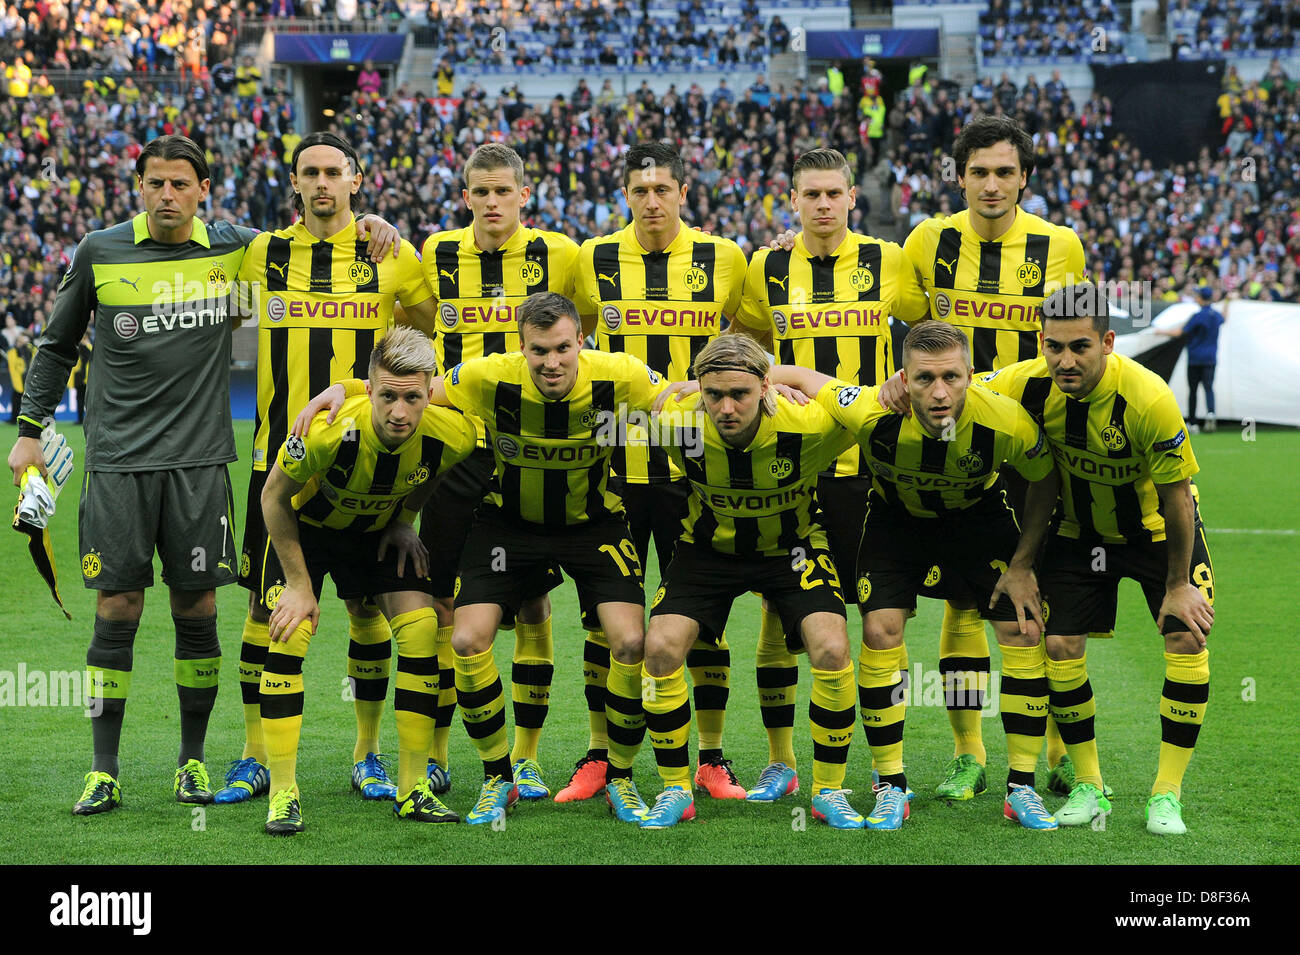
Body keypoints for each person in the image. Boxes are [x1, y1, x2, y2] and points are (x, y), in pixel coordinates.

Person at [298, 292, 673, 825]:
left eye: (563, 348)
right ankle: (500, 776)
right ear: (521, 348)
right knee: (467, 639)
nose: (551, 362)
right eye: (539, 350)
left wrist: (778, 383)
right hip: (507, 525)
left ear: (580, 343)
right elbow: (416, 388)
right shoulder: (485, 376)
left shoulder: (623, 374)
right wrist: (342, 389)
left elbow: (682, 395)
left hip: (594, 523)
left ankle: (621, 777)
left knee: (631, 640)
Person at [6, 135, 256, 815]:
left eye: (180, 184)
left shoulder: (236, 247)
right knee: (117, 607)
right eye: (155, 183)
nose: (167, 195)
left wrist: (372, 224)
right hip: (117, 461)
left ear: (204, 189)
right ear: (138, 186)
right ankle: (104, 768)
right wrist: (29, 432)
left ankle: (193, 761)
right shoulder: (99, 250)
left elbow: (315, 243)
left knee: (197, 606)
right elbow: (56, 344)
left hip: (201, 463)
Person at [771, 321, 1061, 830]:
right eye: (925, 379)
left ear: (972, 375)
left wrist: (1022, 565)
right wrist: (706, 386)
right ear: (904, 379)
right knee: (881, 629)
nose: (940, 391)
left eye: (951, 376)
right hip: (895, 519)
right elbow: (795, 373)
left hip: (978, 518)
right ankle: (891, 786)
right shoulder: (869, 408)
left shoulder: (1007, 421)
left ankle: (1022, 787)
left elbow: (1045, 480)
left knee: (1022, 627)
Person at [219, 131, 423, 808]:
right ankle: (253, 754)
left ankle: (366, 755)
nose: (323, 182)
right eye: (311, 172)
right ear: (296, 181)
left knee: (366, 607)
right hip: (275, 464)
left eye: (335, 171)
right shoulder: (261, 254)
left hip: (367, 471)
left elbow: (425, 339)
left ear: (356, 179)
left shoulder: (390, 257)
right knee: (263, 608)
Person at [979, 283, 1214, 834]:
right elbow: (960, 385)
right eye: (1054, 346)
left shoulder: (1147, 397)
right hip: (1079, 531)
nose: (1066, 360)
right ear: (1041, 342)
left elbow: (1178, 496)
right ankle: (1088, 786)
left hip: (1157, 533)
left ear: (1108, 342)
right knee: (1058, 643)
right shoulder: (1026, 383)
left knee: (1185, 633)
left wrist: (1178, 584)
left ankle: (1166, 794)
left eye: (1080, 346)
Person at [900, 114, 1086, 801]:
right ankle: (968, 753)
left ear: (1025, 179)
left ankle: (1063, 747)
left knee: (1050, 592)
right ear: (959, 176)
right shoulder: (926, 241)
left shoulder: (1060, 245)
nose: (991, 184)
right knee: (962, 600)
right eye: (978, 171)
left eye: (1005, 171)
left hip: (1039, 444)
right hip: (959, 447)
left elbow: (1073, 341)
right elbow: (909, 323)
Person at [734, 146, 928, 803]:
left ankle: (886, 765)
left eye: (832, 193)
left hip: (867, 467)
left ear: (852, 198)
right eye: (809, 194)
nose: (821, 204)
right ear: (793, 201)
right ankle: (781, 760)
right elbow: (747, 340)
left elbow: (931, 330)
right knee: (776, 612)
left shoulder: (888, 260)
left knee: (879, 617)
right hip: (790, 466)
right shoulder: (767, 266)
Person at [572, 141, 750, 803]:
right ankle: (598, 757)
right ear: (625, 193)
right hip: (612, 467)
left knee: (702, 616)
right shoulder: (588, 259)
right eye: (639, 189)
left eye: (662, 189)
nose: (651, 200)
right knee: (603, 620)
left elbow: (756, 335)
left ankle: (710, 758)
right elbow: (567, 338)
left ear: (683, 192)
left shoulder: (726, 258)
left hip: (696, 472)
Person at [259, 327, 478, 834]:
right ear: (370, 388)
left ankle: (412, 788)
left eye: (412, 398)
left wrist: (406, 517)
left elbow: (434, 471)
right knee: (290, 635)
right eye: (386, 396)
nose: (399, 412)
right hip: (307, 533)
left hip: (376, 532)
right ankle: (284, 792)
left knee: (423, 629)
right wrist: (298, 583)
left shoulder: (453, 433)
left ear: (430, 392)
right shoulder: (328, 431)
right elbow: (273, 497)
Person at [639, 335, 864, 829]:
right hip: (707, 550)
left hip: (794, 549)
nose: (726, 407)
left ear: (766, 387)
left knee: (830, 647)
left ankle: (829, 791)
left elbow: (867, 406)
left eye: (740, 393)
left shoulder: (807, 424)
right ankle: (676, 789)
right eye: (713, 394)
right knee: (659, 648)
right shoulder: (674, 421)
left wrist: (797, 379)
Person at [418, 142, 579, 800]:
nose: (490, 202)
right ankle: (433, 750)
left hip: (525, 453)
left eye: (501, 191)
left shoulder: (560, 255)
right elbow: (407, 317)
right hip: (454, 453)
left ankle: (530, 755)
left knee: (535, 602)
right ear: (465, 196)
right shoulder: (435, 254)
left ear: (523, 196)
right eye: (478, 191)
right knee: (442, 603)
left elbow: (582, 329)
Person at [1158, 286, 1224, 432]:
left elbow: (1179, 333)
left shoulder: (1197, 316)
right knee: (1208, 388)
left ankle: (1193, 423)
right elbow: (1225, 318)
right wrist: (1229, 302)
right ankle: (1211, 414)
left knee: (1193, 391)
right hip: (1210, 358)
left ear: (1201, 298)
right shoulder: (1216, 315)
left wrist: (1160, 331)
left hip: (1195, 358)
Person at [7, 330, 33, 424]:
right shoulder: (14, 352)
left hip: (28, 379)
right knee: (16, 399)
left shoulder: (29, 350)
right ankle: (14, 418)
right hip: (20, 379)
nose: (20, 343)